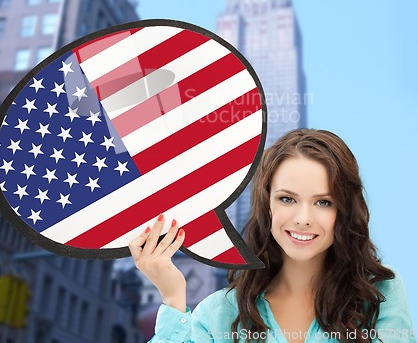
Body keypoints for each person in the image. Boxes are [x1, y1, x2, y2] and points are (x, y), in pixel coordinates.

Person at [129, 129, 415, 342]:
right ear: (266, 205)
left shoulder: (379, 292)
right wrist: (172, 296)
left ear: (344, 210)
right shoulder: (219, 313)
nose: (303, 219)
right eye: (287, 199)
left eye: (323, 202)